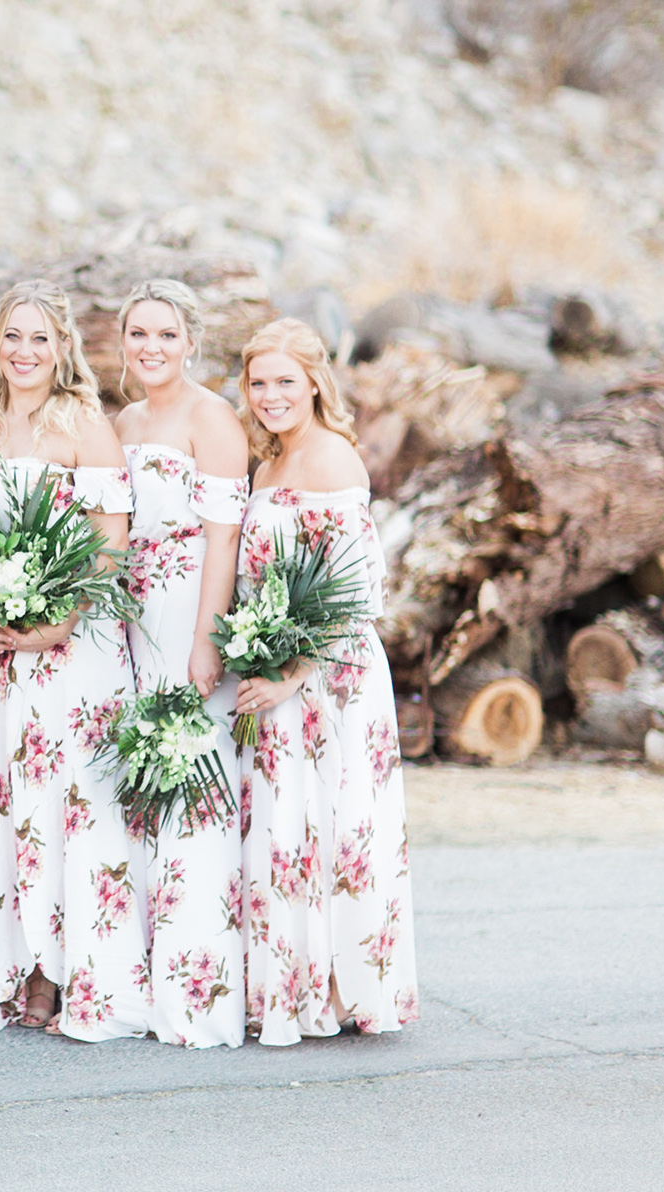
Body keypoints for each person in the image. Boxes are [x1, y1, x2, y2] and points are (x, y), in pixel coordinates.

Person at [0, 280, 152, 1042]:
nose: (24, 351)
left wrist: (56, 624)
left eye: (40, 338)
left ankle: (73, 972)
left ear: (63, 346)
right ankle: (22, 966)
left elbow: (110, 544)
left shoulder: (85, 427)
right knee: (10, 803)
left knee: (72, 803)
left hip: (74, 647)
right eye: (13, 336)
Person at [233, 317, 420, 1044]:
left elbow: (354, 592)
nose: (270, 395)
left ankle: (345, 987)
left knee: (341, 823)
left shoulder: (335, 458)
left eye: (285, 380)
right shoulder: (269, 462)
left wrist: (292, 677)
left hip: (332, 676)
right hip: (280, 672)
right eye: (258, 382)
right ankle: (296, 981)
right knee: (291, 823)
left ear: (315, 383)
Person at [113, 279, 250, 1049]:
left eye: (166, 334)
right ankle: (144, 974)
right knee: (145, 785)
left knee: (193, 782)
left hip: (187, 605)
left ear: (191, 342)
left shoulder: (212, 418)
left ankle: (198, 992)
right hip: (132, 617)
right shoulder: (125, 420)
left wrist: (207, 638)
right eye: (139, 333)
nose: (152, 347)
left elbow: (224, 539)